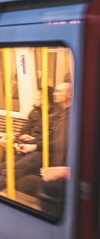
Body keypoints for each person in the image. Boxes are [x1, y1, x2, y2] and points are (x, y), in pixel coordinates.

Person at [37, 82, 72, 217]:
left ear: (69, 95)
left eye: (58, 91)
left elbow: (59, 144)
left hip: (59, 162)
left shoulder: (68, 117)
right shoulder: (60, 114)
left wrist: (35, 146)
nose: (54, 94)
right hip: (53, 156)